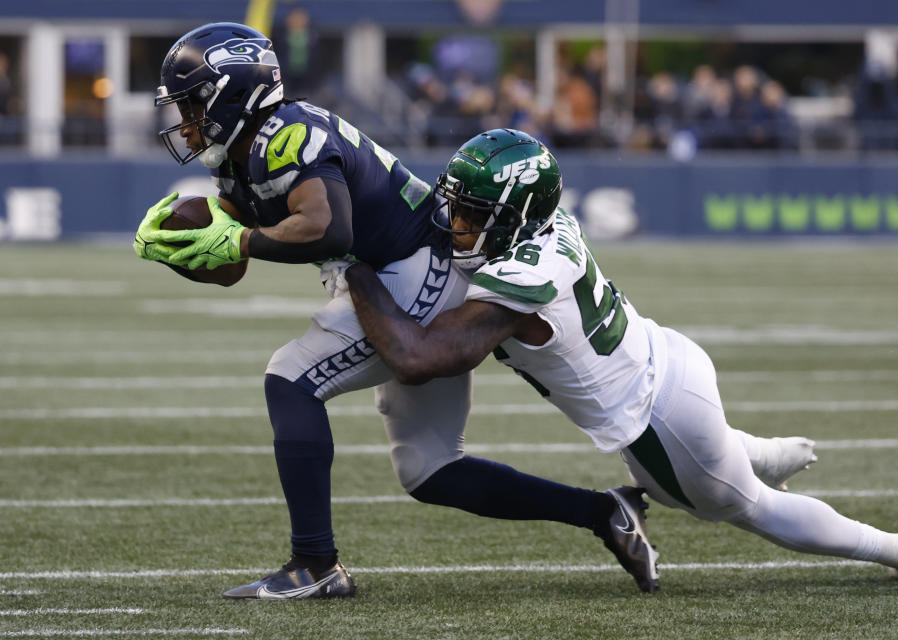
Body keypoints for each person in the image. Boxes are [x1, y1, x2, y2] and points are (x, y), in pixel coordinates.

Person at [133, 23, 666, 599]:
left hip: (415, 268)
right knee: (430, 470)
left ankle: (315, 565)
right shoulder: (239, 154)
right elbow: (234, 265)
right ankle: (603, 512)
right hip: (390, 270)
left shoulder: (288, 136)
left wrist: (236, 241)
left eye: (192, 104)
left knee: (290, 379)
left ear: (233, 95)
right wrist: (184, 249)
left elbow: (325, 228)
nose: (184, 120)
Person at [339, 128, 898, 586]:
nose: (454, 221)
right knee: (728, 461)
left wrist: (356, 271)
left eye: (472, 213)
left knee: (752, 509)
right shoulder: (547, 227)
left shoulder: (520, 279)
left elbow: (420, 358)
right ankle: (758, 452)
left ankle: (892, 547)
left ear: (513, 217)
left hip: (654, 424)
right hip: (672, 360)